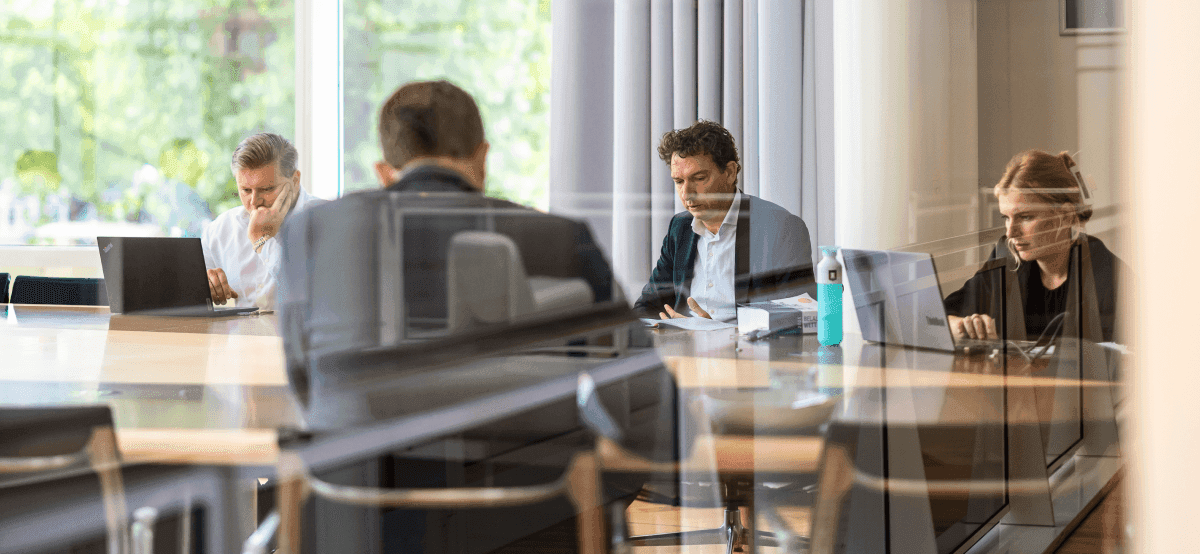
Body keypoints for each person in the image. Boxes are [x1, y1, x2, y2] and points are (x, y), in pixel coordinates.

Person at [634, 120, 815, 321]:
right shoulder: (680, 228)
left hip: (745, 350)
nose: (687, 193)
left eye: (700, 178)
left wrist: (716, 332)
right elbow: (646, 306)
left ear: (729, 172)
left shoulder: (780, 228)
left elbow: (796, 316)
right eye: (679, 181)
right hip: (682, 349)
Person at [944, 150, 1125, 342]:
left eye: (1025, 217)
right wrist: (962, 327)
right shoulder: (1006, 259)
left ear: (1065, 216)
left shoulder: (1110, 276)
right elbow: (938, 318)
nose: (1010, 233)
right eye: (1006, 218)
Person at [201, 133, 324, 309]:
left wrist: (262, 241)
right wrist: (207, 286)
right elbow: (192, 288)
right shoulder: (220, 229)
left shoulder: (328, 219)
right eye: (245, 190)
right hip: (239, 335)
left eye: (267, 189)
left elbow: (314, 290)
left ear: (295, 181)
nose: (254, 202)